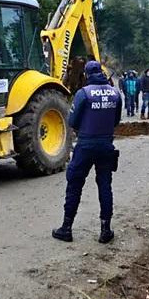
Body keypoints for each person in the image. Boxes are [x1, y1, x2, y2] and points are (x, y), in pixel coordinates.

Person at [52, 61, 122, 243]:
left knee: (74, 185)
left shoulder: (84, 93)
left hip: (85, 145)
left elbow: (72, 120)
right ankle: (105, 230)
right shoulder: (115, 93)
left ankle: (66, 228)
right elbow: (116, 120)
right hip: (106, 145)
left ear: (86, 74)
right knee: (105, 186)